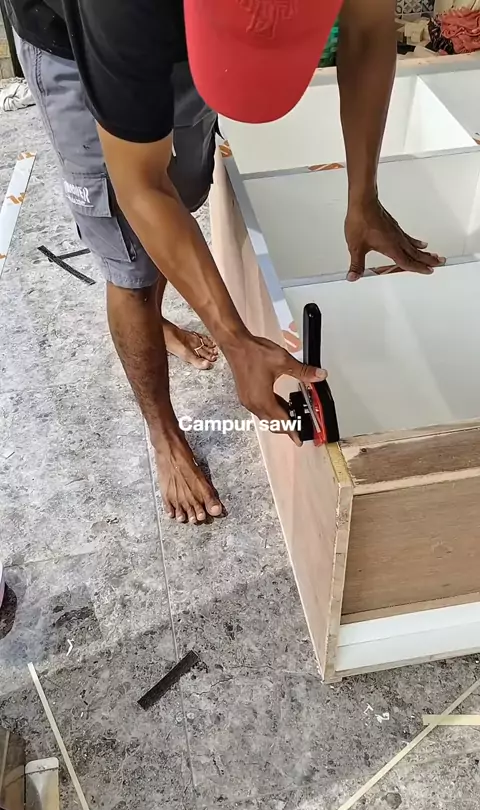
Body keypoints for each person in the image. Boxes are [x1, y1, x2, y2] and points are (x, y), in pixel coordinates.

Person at [6, 0, 444, 524]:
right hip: (73, 40)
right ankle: (164, 433)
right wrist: (236, 341)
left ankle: (157, 315)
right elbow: (140, 186)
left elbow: (368, 32)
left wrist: (363, 197)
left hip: (171, 34)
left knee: (184, 196)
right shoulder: (120, 12)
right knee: (131, 262)